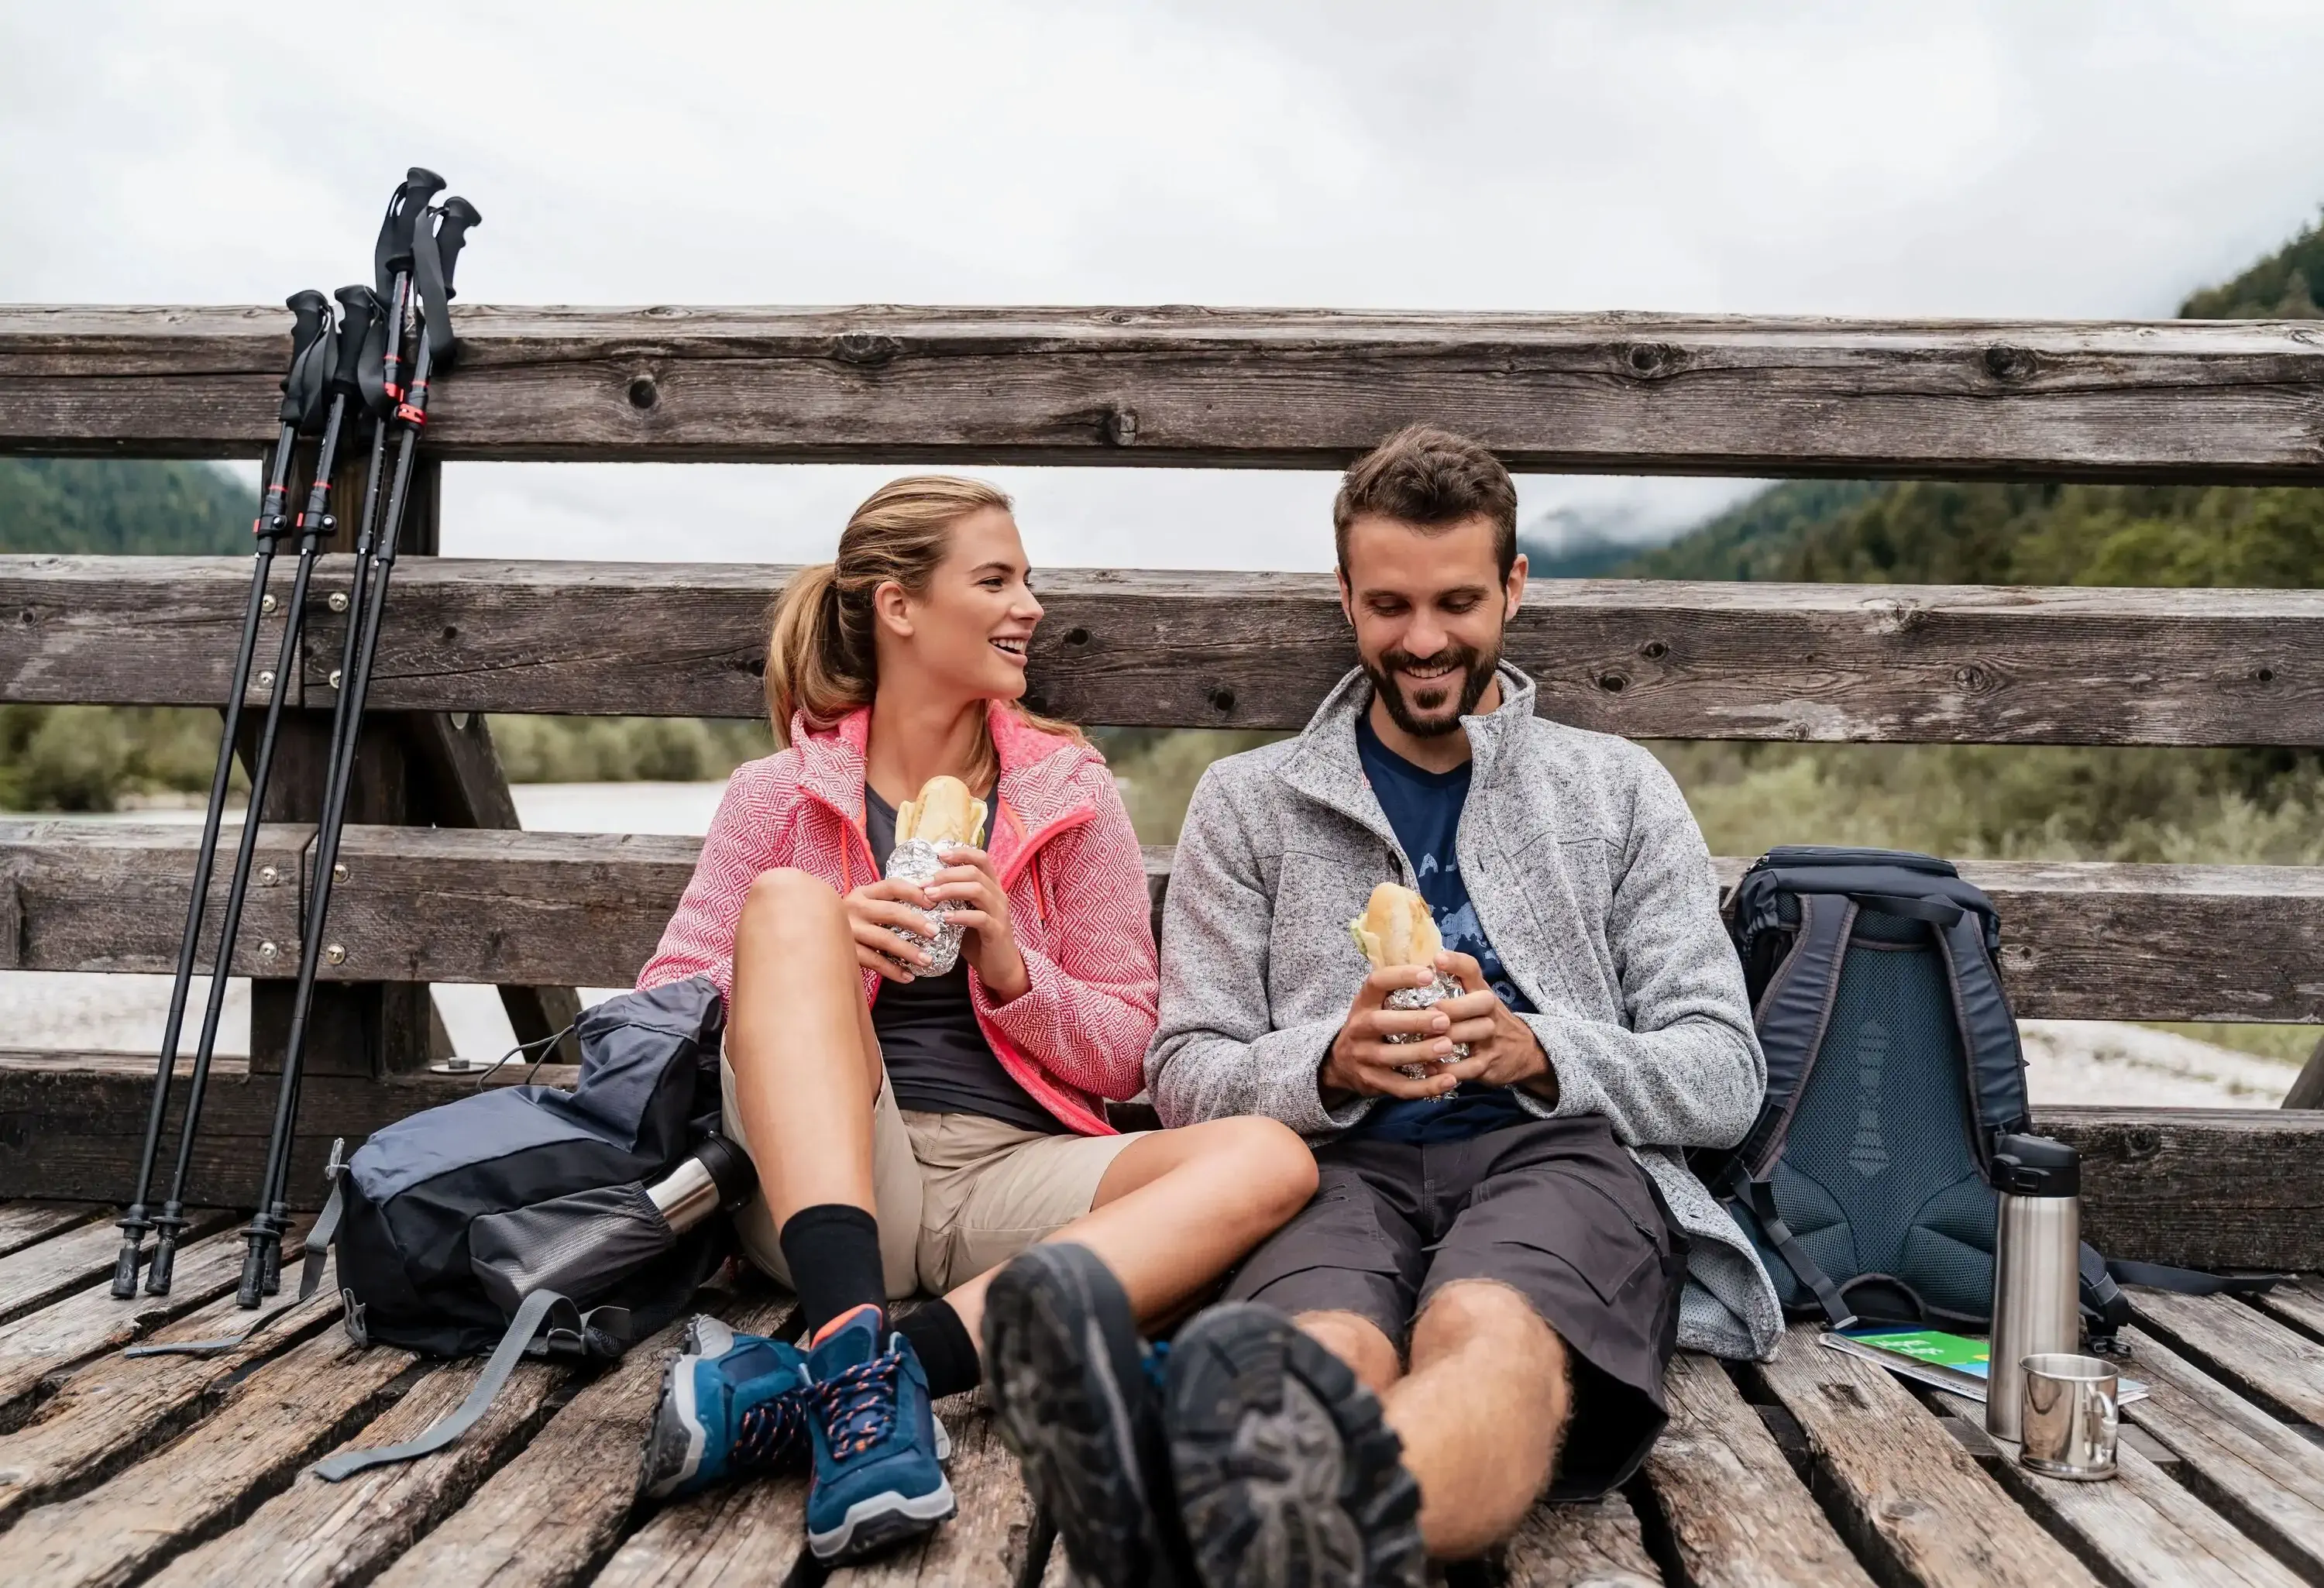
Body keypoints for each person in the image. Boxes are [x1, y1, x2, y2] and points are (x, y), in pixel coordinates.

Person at [982, 427, 1783, 1587]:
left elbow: (1722, 1071)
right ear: (1345, 597)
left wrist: (1539, 1048)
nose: (1423, 640)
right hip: (1324, 1167)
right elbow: (1184, 1069)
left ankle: (1220, 1520)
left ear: (1514, 584)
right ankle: (1259, 1514)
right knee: (1320, 1349)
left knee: (1494, 1334)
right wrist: (1327, 1065)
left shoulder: (1615, 790)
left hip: (1551, 1152)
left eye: (1458, 600)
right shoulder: (1249, 803)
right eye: (1389, 604)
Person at [631, 476, 1320, 1566]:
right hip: (829, 1174)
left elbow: (1134, 1042)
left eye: (1028, 580)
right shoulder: (780, 794)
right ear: (900, 607)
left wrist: (1013, 965)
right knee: (788, 907)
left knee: (1270, 1159)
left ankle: (866, 1371)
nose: (1030, 605)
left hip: (1014, 1170)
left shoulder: (1069, 792)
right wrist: (819, 950)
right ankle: (852, 1344)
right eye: (995, 580)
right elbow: (655, 1005)